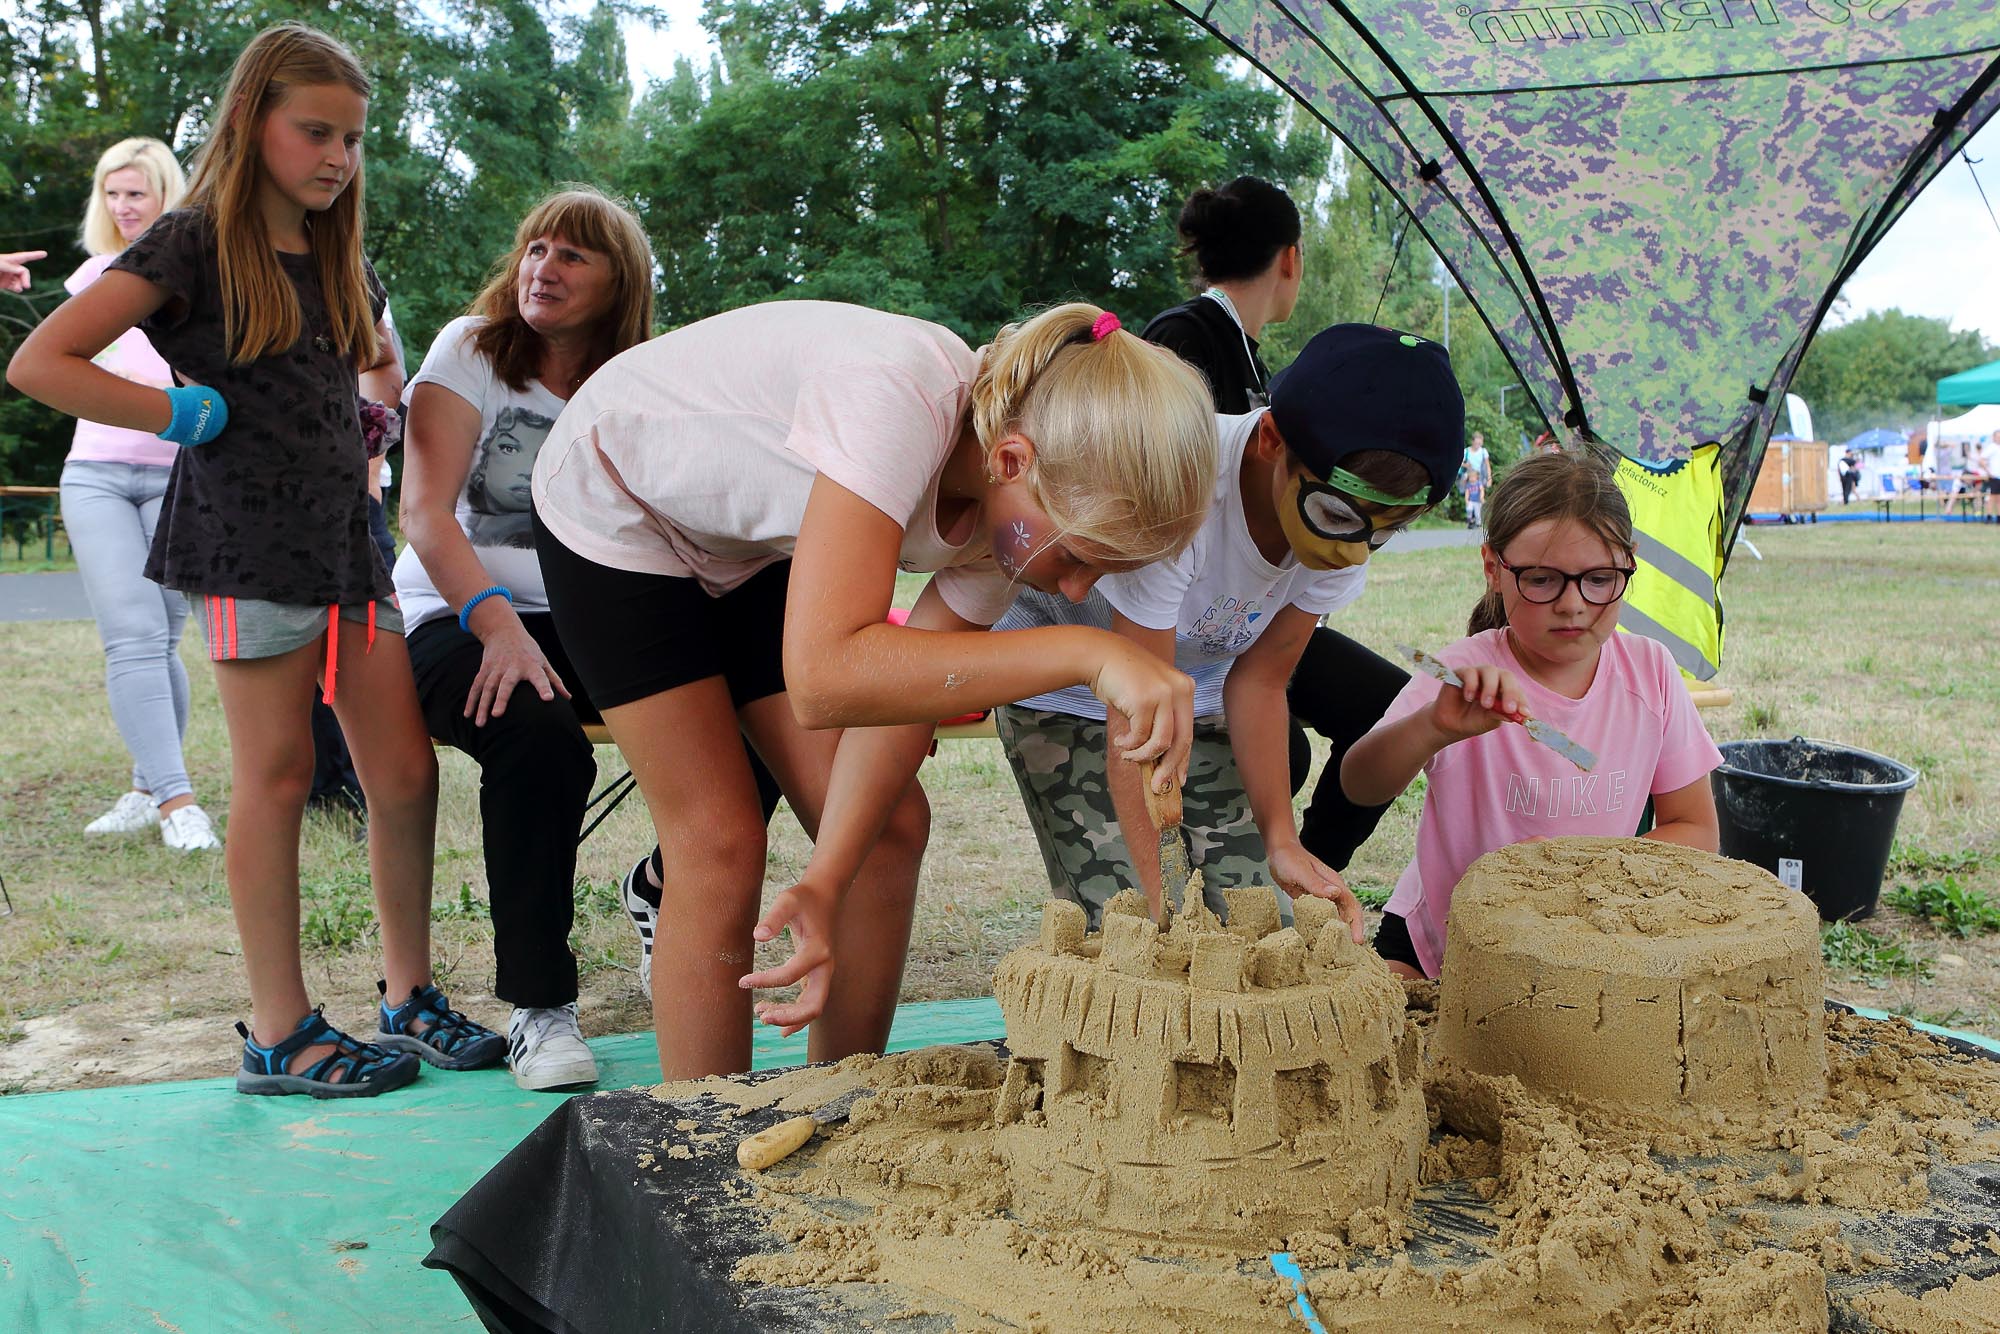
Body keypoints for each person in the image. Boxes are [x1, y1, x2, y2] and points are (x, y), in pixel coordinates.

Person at [530, 299, 1216, 1079]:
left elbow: (900, 694)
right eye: (1082, 558)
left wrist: (827, 881)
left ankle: (840, 1107)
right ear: (1014, 461)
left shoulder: (1015, 522)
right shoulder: (899, 398)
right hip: (615, 501)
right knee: (718, 842)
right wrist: (1085, 652)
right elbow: (825, 681)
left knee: (887, 830)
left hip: (743, 542)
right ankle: (702, 1143)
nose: (1078, 585)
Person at [7, 22, 503, 1096]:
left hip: (348, 545)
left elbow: (376, 364)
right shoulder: (187, 244)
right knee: (275, 776)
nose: (337, 156)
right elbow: (42, 360)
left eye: (354, 138)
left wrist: (372, 414)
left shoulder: (339, 250)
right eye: (314, 131)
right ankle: (278, 1030)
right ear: (251, 123)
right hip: (244, 550)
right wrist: (172, 409)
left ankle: (407, 993)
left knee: (402, 773)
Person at [397, 187, 776, 1091]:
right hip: (456, 613)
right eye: (535, 249)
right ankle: (540, 1005)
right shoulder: (470, 350)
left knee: (758, 714)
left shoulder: (645, 378)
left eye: (573, 255)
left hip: (591, 617)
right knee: (537, 739)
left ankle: (666, 891)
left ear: (621, 283)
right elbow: (422, 510)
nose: (544, 267)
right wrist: (496, 626)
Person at [994, 324, 1465, 940]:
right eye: (1338, 516)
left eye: (1386, 531)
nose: (1355, 553)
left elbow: (1263, 681)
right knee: (1132, 935)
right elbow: (1131, 725)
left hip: (1198, 693)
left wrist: (1281, 839)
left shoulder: (1344, 535)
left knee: (1265, 929)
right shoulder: (1179, 489)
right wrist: (1159, 911)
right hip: (1072, 694)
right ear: (1272, 437)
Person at [1340, 450, 1723, 980]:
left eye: (1599, 578)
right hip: (1445, 946)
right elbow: (1358, 785)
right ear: (1494, 569)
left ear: (1630, 562)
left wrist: (1583, 868)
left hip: (1585, 945)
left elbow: (1696, 829)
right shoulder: (1462, 673)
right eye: (1541, 580)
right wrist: (1433, 728)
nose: (1573, 605)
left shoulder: (1649, 672)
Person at [1140, 178, 1411, 876]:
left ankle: (1304, 866)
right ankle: (1251, 858)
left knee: (1389, 703)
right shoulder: (1183, 339)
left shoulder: (1254, 356)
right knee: (1283, 749)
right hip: (1177, 620)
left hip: (1248, 617)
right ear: (1290, 259)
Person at [53, 137, 221, 851]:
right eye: (113, 194)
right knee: (133, 634)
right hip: (95, 475)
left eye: (138, 193)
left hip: (176, 474)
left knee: (163, 639)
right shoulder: (90, 276)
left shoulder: (192, 273)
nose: (124, 208)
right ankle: (178, 804)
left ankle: (148, 784)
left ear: (165, 197)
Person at [1461, 430, 1491, 529]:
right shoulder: (1466, 451)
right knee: (1469, 496)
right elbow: (1459, 463)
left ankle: (1476, 518)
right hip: (1468, 477)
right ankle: (1472, 519)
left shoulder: (1483, 451)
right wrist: (1466, 465)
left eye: (1480, 443)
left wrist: (1489, 478)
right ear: (1473, 441)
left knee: (1479, 497)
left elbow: (1487, 466)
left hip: (1480, 477)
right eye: (1476, 442)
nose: (1478, 444)